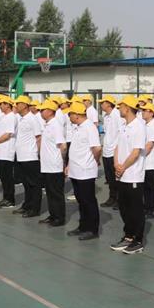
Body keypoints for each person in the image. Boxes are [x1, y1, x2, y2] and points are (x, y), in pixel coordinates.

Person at [109, 95, 147, 254]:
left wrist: (123, 166)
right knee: (124, 206)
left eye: (121, 106)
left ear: (128, 108)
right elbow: (117, 147)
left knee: (135, 208)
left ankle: (138, 240)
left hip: (133, 175)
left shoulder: (139, 126)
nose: (119, 108)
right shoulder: (124, 125)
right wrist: (116, 164)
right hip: (122, 174)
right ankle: (128, 236)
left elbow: (136, 152)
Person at [66, 101, 102, 240]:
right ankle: (83, 226)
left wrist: (95, 161)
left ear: (77, 114)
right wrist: (69, 165)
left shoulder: (89, 127)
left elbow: (96, 148)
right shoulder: (78, 127)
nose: (69, 116)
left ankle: (92, 229)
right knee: (81, 200)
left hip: (85, 170)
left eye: (70, 114)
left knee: (88, 200)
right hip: (76, 170)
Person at [13, 95, 43, 218]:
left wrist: (38, 154)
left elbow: (38, 137)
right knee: (26, 183)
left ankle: (35, 209)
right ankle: (27, 205)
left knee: (34, 184)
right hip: (21, 156)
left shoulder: (32, 119)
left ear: (25, 105)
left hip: (30, 156)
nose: (16, 106)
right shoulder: (21, 119)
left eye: (18, 103)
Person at [39, 99, 67, 226]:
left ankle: (59, 218)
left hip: (55, 166)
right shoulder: (48, 124)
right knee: (50, 193)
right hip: (47, 165)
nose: (41, 112)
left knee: (56, 193)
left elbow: (63, 146)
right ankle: (53, 215)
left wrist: (63, 162)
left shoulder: (56, 125)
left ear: (50, 111)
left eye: (43, 110)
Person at [0, 96, 17, 208]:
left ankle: (10, 199)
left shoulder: (11, 117)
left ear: (7, 105)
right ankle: (5, 198)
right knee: (2, 176)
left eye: (1, 104)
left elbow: (7, 135)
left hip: (7, 151)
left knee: (7, 177)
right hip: (0, 151)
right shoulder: (4, 117)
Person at [98, 94, 123, 208]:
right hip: (107, 151)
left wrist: (117, 149)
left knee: (117, 178)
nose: (101, 105)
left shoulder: (117, 115)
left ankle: (119, 199)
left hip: (114, 151)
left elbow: (121, 133)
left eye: (102, 103)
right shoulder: (106, 116)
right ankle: (112, 197)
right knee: (110, 178)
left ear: (108, 104)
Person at [141, 102, 154, 218]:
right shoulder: (145, 125)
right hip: (144, 161)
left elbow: (149, 145)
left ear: (151, 113)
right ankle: (147, 206)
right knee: (145, 186)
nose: (143, 112)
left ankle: (153, 208)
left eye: (145, 110)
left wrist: (139, 156)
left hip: (150, 161)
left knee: (151, 185)